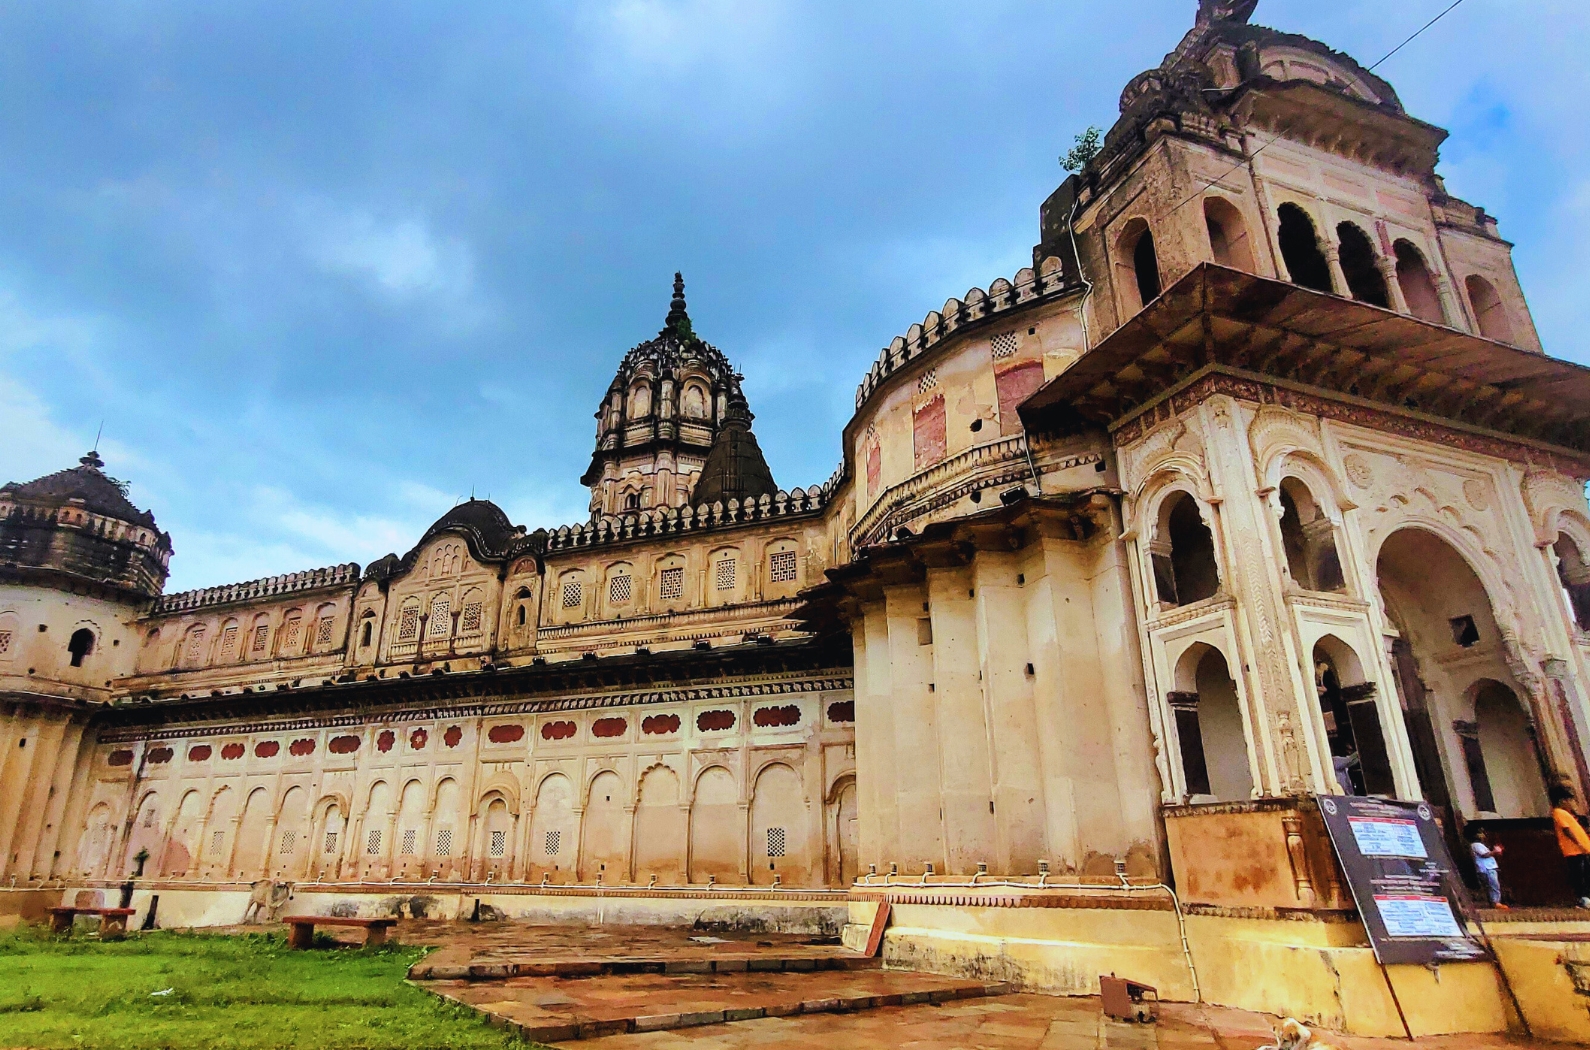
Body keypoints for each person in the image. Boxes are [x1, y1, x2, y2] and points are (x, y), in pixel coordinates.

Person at [1550, 784, 1590, 909]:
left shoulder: (1567, 814)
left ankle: (1586, 898)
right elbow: (1567, 830)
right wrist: (1579, 844)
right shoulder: (1558, 812)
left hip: (1581, 849)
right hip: (1574, 851)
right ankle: (1583, 899)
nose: (1570, 803)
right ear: (1562, 800)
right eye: (1568, 800)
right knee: (1580, 876)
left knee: (1586, 875)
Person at [1469, 827, 1506, 909]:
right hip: (1487, 868)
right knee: (1493, 885)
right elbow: (1484, 854)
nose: (1483, 836)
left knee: (1491, 885)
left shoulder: (1478, 845)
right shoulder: (1476, 845)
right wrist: (1495, 851)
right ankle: (1496, 902)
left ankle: (1493, 902)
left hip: (1486, 868)